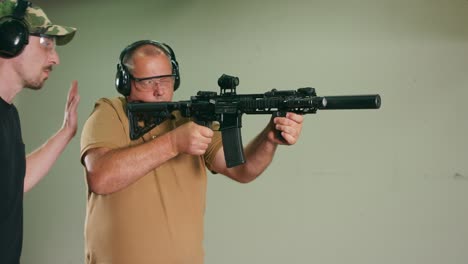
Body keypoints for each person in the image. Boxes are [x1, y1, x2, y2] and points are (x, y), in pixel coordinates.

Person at [80, 40, 303, 264]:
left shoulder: (190, 119)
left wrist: (269, 138)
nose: (159, 90)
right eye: (148, 82)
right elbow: (100, 176)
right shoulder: (110, 113)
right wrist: (174, 143)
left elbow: (243, 170)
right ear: (125, 82)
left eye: (166, 79)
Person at [0, 0, 79, 263]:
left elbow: (14, 183)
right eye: (46, 43)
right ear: (11, 37)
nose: (55, 58)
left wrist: (66, 132)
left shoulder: (8, 115)